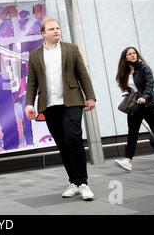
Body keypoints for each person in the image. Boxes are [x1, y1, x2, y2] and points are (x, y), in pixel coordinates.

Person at [25, 17, 96, 201]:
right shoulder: (34, 56)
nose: (56, 31)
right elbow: (31, 82)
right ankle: (73, 181)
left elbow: (83, 74)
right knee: (63, 144)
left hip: (72, 101)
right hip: (49, 105)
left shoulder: (71, 49)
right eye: (51, 29)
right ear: (43, 33)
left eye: (58, 28)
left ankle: (83, 183)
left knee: (73, 138)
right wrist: (29, 103)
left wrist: (90, 97)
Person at [114, 47, 154, 171]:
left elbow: (150, 84)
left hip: (149, 104)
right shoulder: (124, 72)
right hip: (135, 106)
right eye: (129, 54)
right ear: (125, 58)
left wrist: (145, 97)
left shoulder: (143, 68)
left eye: (134, 53)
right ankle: (128, 160)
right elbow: (128, 87)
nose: (133, 55)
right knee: (132, 132)